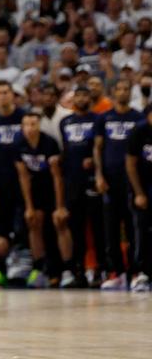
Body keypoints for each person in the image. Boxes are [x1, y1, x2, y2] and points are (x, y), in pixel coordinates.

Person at [95, 80, 141, 290]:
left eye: (126, 89)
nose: (123, 92)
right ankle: (116, 272)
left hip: (132, 181)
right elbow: (97, 148)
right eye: (119, 89)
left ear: (130, 92)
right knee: (110, 228)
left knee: (134, 228)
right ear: (112, 93)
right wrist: (98, 175)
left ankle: (136, 271)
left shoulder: (138, 118)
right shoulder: (104, 118)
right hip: (110, 180)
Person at [15, 111, 69, 288]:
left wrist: (60, 206)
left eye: (33, 124)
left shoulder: (49, 143)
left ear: (39, 125)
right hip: (34, 189)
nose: (30, 128)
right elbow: (23, 177)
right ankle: (39, 267)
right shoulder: (19, 144)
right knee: (33, 222)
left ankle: (67, 268)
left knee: (59, 222)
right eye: (26, 125)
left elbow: (57, 177)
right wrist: (29, 206)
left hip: (53, 188)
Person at [57, 86, 102, 287]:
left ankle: (100, 270)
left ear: (90, 98)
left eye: (85, 95)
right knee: (75, 229)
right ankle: (78, 271)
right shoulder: (65, 121)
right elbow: (65, 150)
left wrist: (93, 161)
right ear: (74, 99)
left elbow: (102, 148)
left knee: (97, 227)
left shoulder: (98, 120)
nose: (82, 98)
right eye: (78, 95)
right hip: (72, 182)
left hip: (92, 180)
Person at [0, 81, 26, 242]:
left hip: (23, 174)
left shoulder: (23, 116)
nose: (3, 96)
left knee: (24, 216)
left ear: (12, 95)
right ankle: (6, 260)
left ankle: (27, 255)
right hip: (3, 175)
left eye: (6, 92)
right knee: (4, 218)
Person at [126, 107, 152, 292]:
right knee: (142, 230)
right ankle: (142, 272)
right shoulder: (139, 131)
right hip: (144, 187)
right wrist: (139, 193)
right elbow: (131, 164)